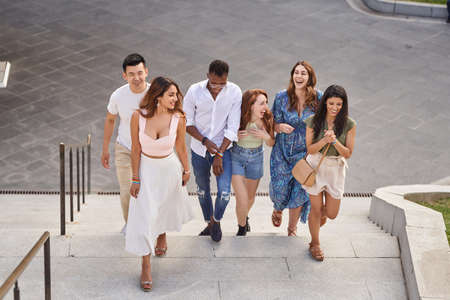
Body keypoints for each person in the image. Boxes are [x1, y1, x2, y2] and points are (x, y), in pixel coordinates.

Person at [125, 76, 194, 292]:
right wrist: (135, 177)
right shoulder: (138, 117)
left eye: (176, 95)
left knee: (164, 207)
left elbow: (181, 147)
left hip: (169, 169)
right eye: (171, 95)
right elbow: (135, 149)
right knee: (144, 216)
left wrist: (186, 169)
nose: (175, 98)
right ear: (158, 96)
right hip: (146, 171)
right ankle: (146, 265)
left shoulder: (178, 118)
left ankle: (162, 234)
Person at [183, 59, 242, 242]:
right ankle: (208, 222)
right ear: (208, 76)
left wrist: (219, 153)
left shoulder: (234, 91)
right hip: (199, 149)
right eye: (214, 83)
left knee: (225, 193)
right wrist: (205, 141)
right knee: (202, 190)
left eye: (222, 84)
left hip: (224, 149)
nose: (217, 88)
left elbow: (233, 127)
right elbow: (187, 123)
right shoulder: (194, 91)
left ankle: (216, 221)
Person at [269, 61, 322, 236]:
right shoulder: (281, 97)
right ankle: (278, 208)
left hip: (305, 153)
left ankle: (292, 228)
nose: (299, 76)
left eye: (303, 73)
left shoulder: (318, 98)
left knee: (299, 191)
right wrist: (279, 127)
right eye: (296, 73)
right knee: (280, 189)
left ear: (310, 77)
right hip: (282, 152)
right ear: (292, 75)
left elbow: (325, 122)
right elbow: (271, 122)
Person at [304, 84, 356, 261]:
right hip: (315, 166)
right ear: (325, 101)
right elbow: (310, 149)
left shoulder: (349, 124)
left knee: (331, 214)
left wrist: (334, 142)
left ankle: (319, 219)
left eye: (339, 104)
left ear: (344, 105)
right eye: (331, 103)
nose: (334, 108)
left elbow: (348, 153)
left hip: (336, 168)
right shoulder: (313, 121)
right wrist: (324, 140)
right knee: (315, 210)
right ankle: (315, 243)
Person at [101, 53, 150, 233]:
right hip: (125, 147)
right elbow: (110, 120)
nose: (136, 78)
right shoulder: (118, 95)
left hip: (148, 149)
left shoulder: (154, 94)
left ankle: (149, 224)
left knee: (147, 190)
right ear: (124, 76)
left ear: (146, 72)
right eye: (131, 74)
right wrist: (105, 149)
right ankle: (131, 224)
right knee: (126, 190)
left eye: (139, 73)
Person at [231, 89, 274, 236]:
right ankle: (241, 228)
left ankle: (244, 217)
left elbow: (271, 143)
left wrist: (266, 136)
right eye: (262, 103)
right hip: (237, 157)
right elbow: (225, 134)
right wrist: (234, 136)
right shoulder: (239, 118)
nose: (265, 107)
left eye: (266, 103)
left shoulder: (266, 119)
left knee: (250, 198)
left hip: (256, 158)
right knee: (241, 198)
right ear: (251, 105)